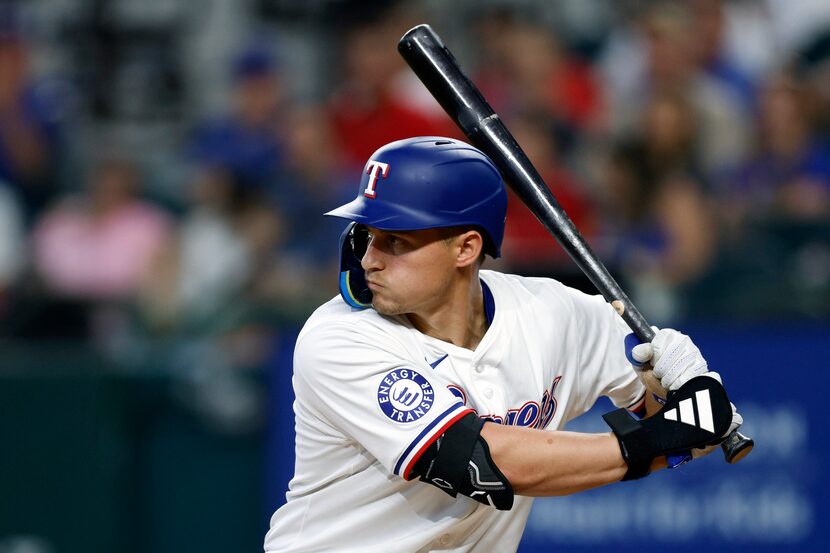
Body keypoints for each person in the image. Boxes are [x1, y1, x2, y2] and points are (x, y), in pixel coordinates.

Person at [264, 137, 743, 552]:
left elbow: (661, 419)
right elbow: (480, 463)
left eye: (396, 241)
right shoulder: (339, 337)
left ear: (466, 248)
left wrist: (678, 391)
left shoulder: (555, 314)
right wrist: (662, 439)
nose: (369, 259)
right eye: (367, 236)